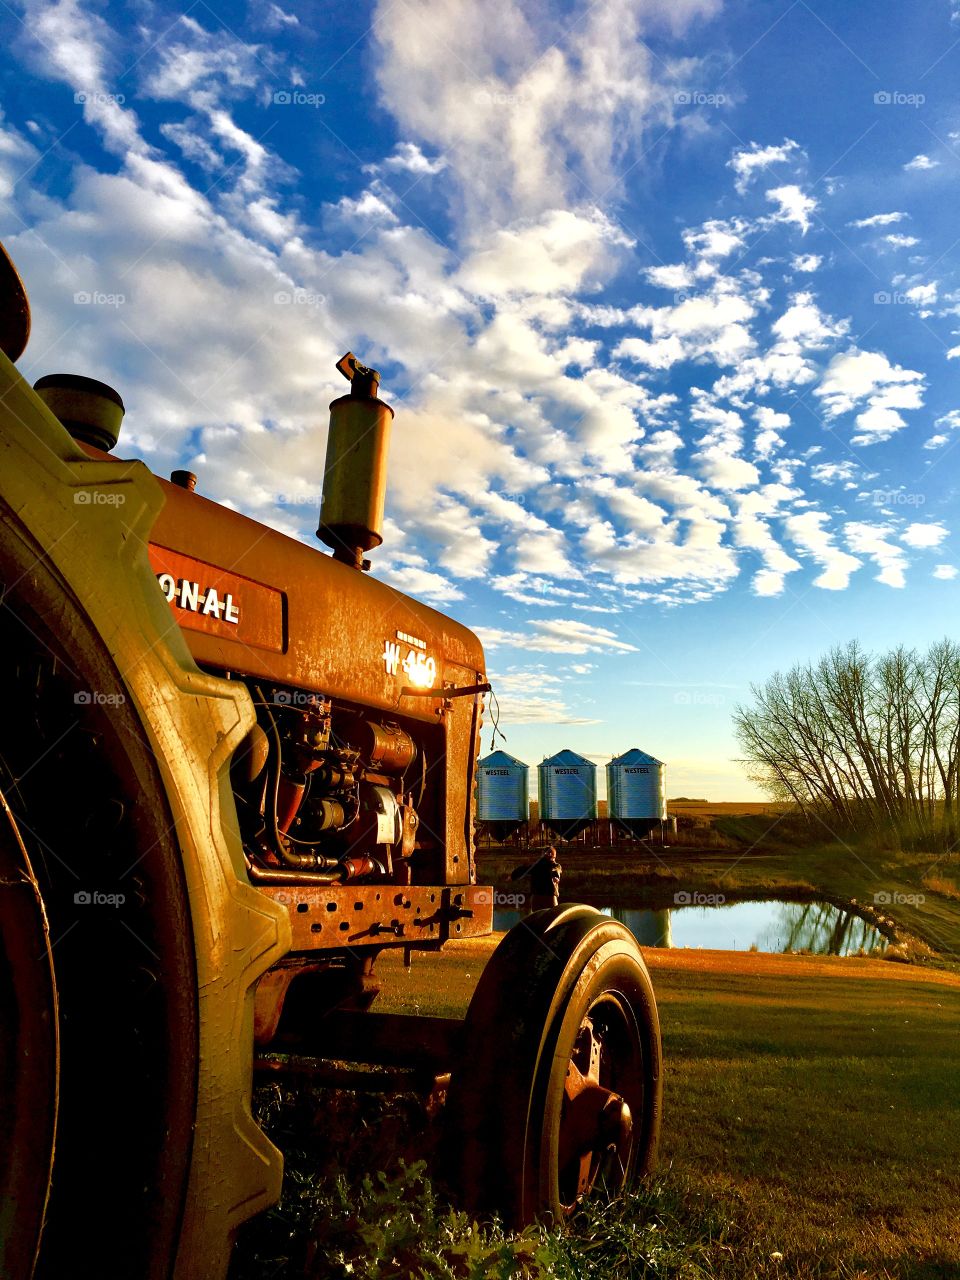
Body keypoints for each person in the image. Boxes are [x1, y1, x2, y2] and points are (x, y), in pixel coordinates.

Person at [511, 845, 562, 912]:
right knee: (553, 918)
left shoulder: (536, 866)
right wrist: (556, 877)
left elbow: (523, 869)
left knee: (537, 919)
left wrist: (513, 876)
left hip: (537, 897)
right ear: (551, 855)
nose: (554, 859)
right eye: (554, 857)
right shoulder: (555, 865)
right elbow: (555, 870)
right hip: (549, 897)